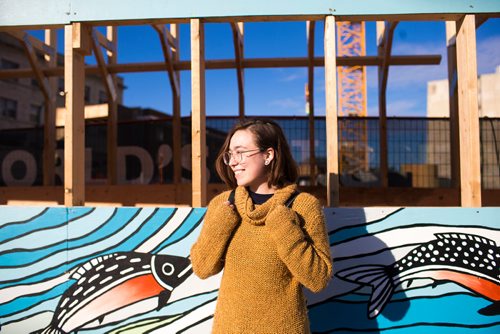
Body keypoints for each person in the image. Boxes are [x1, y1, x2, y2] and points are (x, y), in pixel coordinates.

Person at [190, 119, 332, 334]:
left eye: (241, 152)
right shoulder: (223, 205)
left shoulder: (303, 206)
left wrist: (284, 226)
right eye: (230, 154)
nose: (233, 162)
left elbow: (318, 279)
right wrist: (222, 223)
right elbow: (202, 268)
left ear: (268, 155)